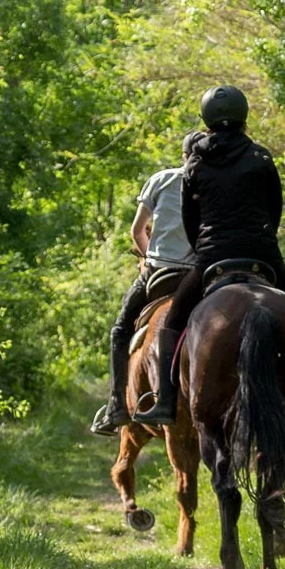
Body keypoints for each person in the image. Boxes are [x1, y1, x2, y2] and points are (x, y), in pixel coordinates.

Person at [130, 85, 285, 427]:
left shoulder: (195, 163)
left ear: (206, 119)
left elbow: (191, 220)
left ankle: (164, 401)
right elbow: (274, 209)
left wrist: (205, 250)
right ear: (244, 116)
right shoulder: (261, 157)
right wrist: (262, 242)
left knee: (175, 319)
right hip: (261, 254)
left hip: (212, 257)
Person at [90, 134, 198, 436]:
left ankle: (117, 407)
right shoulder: (212, 183)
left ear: (183, 155)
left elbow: (137, 231)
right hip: (200, 274)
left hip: (159, 273)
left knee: (121, 329)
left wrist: (147, 252)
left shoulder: (162, 179)